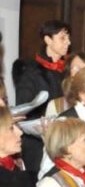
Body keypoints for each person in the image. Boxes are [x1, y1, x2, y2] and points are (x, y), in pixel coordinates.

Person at [14, 20, 71, 176]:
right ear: (48, 40)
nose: (68, 42)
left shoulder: (67, 71)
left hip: (63, 140)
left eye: (68, 38)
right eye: (62, 38)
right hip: (37, 144)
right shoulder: (31, 72)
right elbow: (24, 111)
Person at [45, 52, 85, 117]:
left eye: (84, 69)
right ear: (69, 75)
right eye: (74, 68)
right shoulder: (55, 106)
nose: (78, 72)